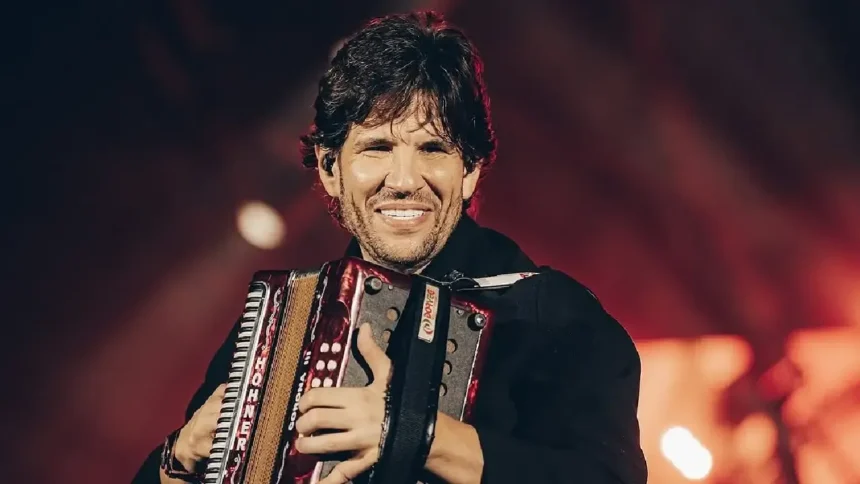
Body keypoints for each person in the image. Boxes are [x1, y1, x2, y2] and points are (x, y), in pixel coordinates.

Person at [133, 10, 647, 484]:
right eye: (376, 148)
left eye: (432, 148)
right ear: (330, 169)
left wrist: (413, 436)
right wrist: (178, 458)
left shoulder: (550, 315)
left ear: (469, 171)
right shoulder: (280, 325)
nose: (403, 180)